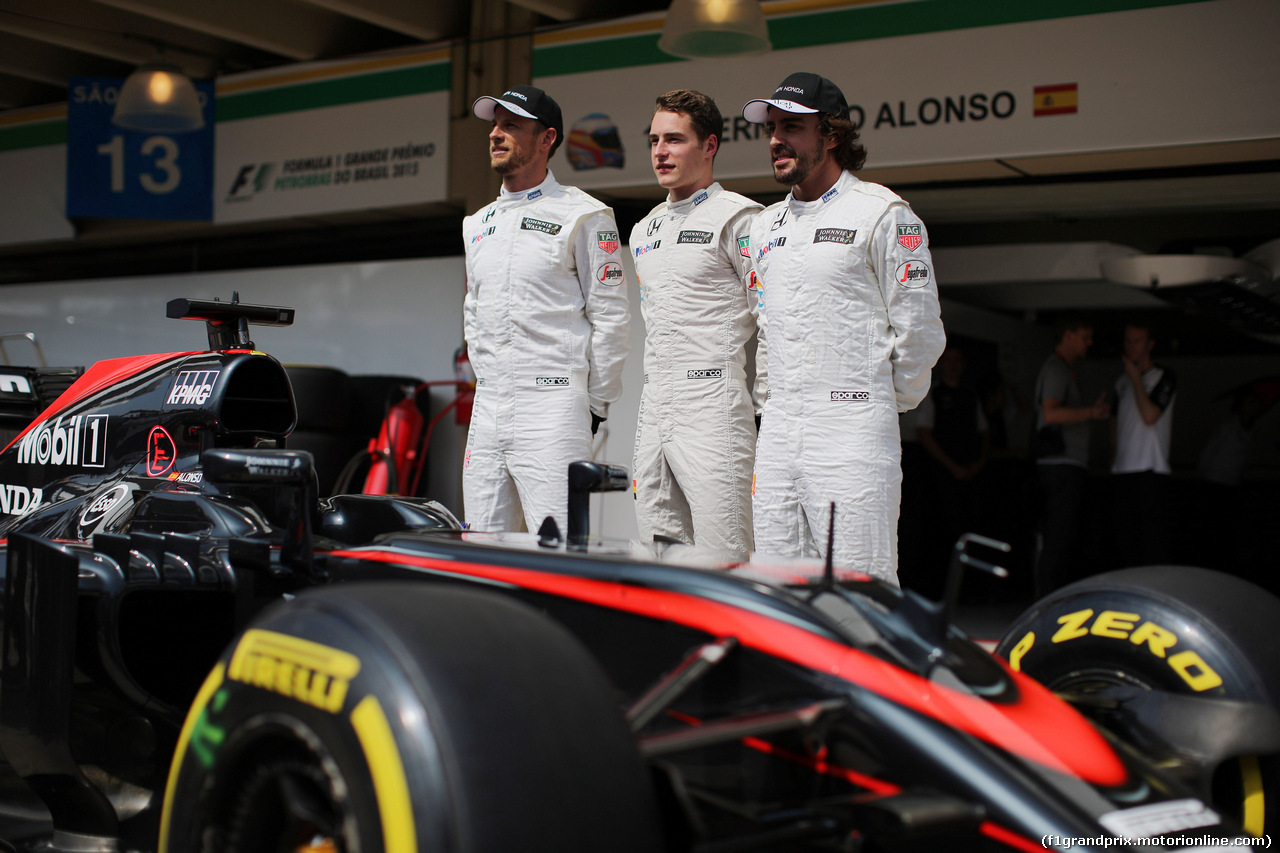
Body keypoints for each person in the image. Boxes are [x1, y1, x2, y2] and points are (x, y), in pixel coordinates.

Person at [741, 72, 945, 585]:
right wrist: (774, 405)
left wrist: (874, 401)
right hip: (781, 429)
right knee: (775, 587)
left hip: (853, 428)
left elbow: (920, 331)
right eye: (772, 128)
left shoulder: (882, 213)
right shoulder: (764, 227)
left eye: (792, 127)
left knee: (860, 587)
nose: (775, 139)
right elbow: (767, 329)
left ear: (831, 136)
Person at [462, 85, 630, 534]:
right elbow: (473, 312)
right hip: (489, 406)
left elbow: (612, 318)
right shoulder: (476, 224)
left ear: (546, 139)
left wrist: (594, 406)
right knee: (479, 546)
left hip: (555, 406)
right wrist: (489, 382)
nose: (496, 134)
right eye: (495, 124)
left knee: (559, 549)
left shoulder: (585, 215)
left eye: (511, 125)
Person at [630, 90, 764, 558]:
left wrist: (768, 403)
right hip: (654, 407)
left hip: (713, 405)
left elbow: (771, 317)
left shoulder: (742, 218)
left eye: (674, 140)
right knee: (656, 553)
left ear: (709, 146)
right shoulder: (643, 229)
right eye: (653, 141)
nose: (660, 152)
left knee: (724, 555)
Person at [1033, 315, 1109, 596]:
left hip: (1067, 464)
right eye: (1085, 336)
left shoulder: (1065, 369)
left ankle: (1052, 597)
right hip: (1059, 465)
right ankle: (1048, 601)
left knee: (1064, 537)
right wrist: (1091, 412)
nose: (1089, 342)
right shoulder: (1056, 369)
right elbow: (1050, 412)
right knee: (1058, 538)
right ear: (1068, 336)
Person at [915, 344, 990, 596]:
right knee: (944, 531)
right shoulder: (933, 394)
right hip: (942, 477)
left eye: (959, 359)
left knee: (972, 530)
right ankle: (940, 591)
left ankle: (972, 590)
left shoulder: (970, 395)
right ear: (941, 363)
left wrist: (980, 461)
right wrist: (952, 467)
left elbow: (984, 431)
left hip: (972, 474)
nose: (954, 364)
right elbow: (924, 434)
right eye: (950, 359)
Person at [1110, 322, 1177, 566]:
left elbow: (1150, 416)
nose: (1131, 346)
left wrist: (1137, 379)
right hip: (1122, 471)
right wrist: (1114, 456)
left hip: (1151, 469)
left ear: (1150, 345)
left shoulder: (1164, 376)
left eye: (1137, 341)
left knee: (1153, 544)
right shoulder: (1121, 383)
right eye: (1128, 341)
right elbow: (1115, 422)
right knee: (1125, 543)